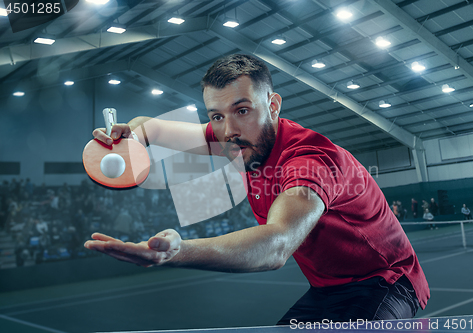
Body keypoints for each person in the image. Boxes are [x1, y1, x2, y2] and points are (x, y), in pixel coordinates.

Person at [84, 54, 429, 323]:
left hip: (386, 282)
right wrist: (130, 137)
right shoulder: (237, 137)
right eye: (216, 116)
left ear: (274, 105)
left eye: (242, 110)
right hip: (328, 288)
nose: (229, 129)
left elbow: (276, 245)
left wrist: (176, 252)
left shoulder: (309, 160)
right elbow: (153, 129)